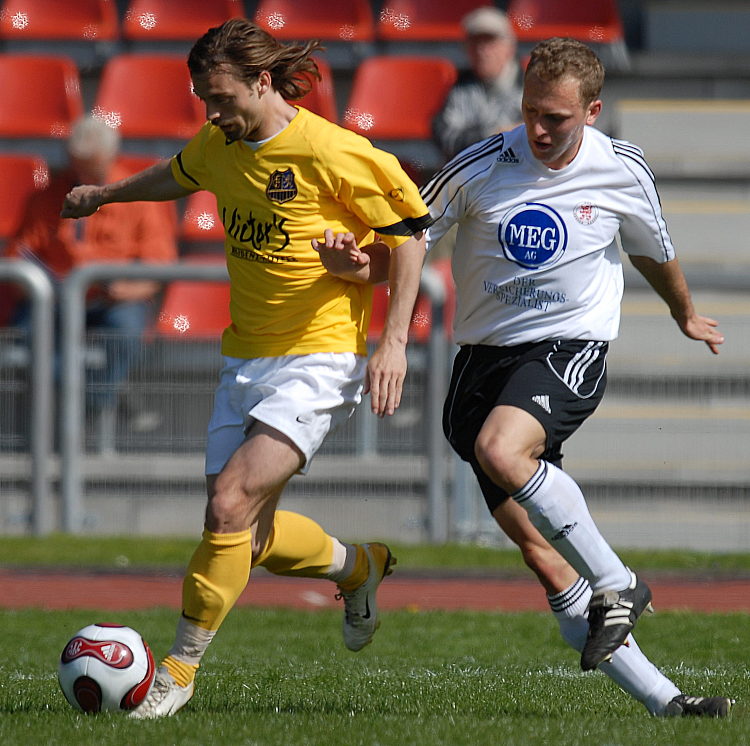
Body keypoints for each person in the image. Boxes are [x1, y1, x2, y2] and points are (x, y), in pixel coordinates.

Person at [341, 36, 731, 717]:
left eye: (557, 117)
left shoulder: (623, 169)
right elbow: (409, 239)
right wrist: (357, 268)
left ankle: (618, 580)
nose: (539, 130)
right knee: (543, 556)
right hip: (481, 366)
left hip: (567, 348)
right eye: (530, 113)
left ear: (593, 111)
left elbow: (652, 250)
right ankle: (668, 703)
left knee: (501, 450)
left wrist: (685, 313)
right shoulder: (480, 164)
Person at [61, 19, 431, 719]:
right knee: (245, 536)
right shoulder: (219, 143)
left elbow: (410, 237)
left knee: (229, 503)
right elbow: (176, 174)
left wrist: (393, 343)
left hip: (320, 354)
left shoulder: (333, 150)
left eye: (222, 97)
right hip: (244, 356)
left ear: (262, 82)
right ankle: (359, 567)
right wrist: (105, 196)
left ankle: (176, 672)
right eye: (204, 99)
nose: (212, 113)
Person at [6, 115, 177, 421]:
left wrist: (125, 290)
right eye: (78, 167)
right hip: (55, 299)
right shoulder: (46, 198)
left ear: (111, 157)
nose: (84, 176)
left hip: (111, 300)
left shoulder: (140, 198)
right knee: (33, 329)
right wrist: (42, 287)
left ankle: (93, 406)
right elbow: (19, 254)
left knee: (126, 328)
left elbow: (158, 264)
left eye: (92, 168)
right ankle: (59, 406)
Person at [432, 6, 522, 162]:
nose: (482, 50)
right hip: (469, 170)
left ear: (510, 47)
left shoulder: (531, 87)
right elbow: (446, 138)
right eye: (475, 43)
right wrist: (494, 135)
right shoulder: (459, 88)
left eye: (490, 42)